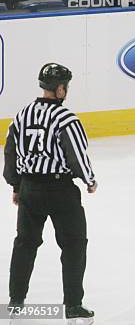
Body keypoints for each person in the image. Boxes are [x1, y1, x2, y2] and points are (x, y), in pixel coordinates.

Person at [3, 63, 97, 324]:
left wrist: (16, 186)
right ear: (60, 89)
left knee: (25, 244)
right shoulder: (66, 118)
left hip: (30, 190)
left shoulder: (22, 115)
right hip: (60, 191)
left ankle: (16, 301)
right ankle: (73, 305)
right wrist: (89, 180)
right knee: (74, 245)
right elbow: (76, 154)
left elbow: (10, 151)